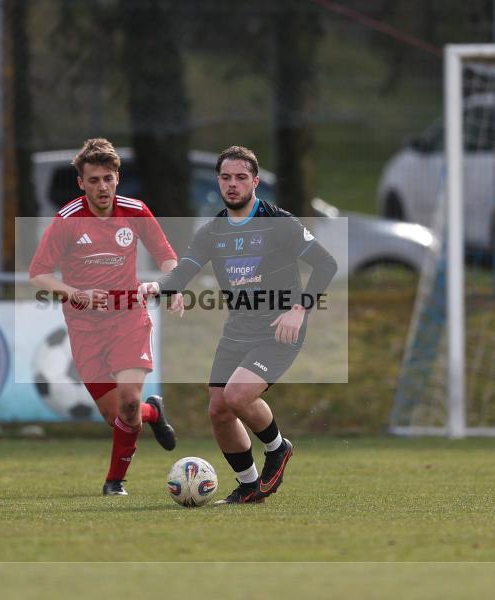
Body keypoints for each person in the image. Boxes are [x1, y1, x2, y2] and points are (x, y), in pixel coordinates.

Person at [140, 145, 337, 504]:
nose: (232, 184)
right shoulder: (212, 231)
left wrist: (299, 310)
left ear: (255, 182)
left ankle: (277, 448)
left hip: (279, 328)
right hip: (238, 329)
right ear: (218, 181)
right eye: (226, 177)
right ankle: (248, 485)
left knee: (237, 396)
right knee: (219, 409)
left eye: (241, 177)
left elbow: (326, 265)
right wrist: (158, 286)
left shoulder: (279, 223)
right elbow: (184, 271)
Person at [29, 138, 182, 496]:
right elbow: (39, 274)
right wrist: (77, 294)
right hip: (84, 326)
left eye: (108, 179)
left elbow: (167, 257)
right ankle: (152, 413)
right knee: (118, 417)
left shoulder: (135, 211)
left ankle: (115, 481)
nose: (102, 187)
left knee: (128, 402)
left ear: (117, 179)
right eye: (94, 180)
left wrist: (172, 287)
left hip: (129, 316)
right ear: (81, 183)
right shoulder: (67, 220)